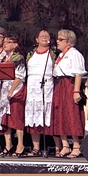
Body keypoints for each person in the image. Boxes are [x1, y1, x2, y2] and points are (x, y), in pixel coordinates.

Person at [51, 29, 87, 159]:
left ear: (69, 42)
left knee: (72, 115)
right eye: (58, 39)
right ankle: (65, 145)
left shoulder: (74, 54)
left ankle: (77, 146)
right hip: (59, 85)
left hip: (69, 85)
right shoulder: (60, 55)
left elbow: (78, 74)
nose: (57, 41)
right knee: (59, 115)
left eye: (61, 39)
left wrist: (76, 91)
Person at [25, 29, 57, 157]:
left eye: (47, 36)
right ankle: (36, 147)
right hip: (32, 86)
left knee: (48, 115)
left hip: (47, 86)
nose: (44, 37)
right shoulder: (31, 53)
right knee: (33, 115)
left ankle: (57, 147)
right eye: (41, 36)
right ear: (36, 39)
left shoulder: (53, 53)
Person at [0, 34, 27, 157]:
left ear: (15, 45)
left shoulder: (18, 57)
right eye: (4, 42)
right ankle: (8, 144)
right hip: (5, 88)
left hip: (16, 89)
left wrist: (11, 90)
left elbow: (20, 76)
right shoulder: (4, 58)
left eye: (8, 42)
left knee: (16, 117)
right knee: (5, 118)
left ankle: (20, 144)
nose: (5, 44)